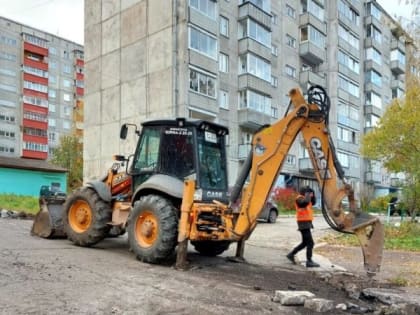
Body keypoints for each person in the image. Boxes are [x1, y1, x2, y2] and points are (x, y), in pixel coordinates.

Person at [286, 186, 320, 268]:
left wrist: (312, 194)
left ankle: (291, 254)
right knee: (310, 243)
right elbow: (304, 203)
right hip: (303, 223)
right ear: (305, 193)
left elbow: (313, 202)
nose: (310, 195)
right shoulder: (299, 199)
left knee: (305, 242)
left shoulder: (306, 198)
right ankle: (309, 261)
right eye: (309, 193)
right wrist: (308, 194)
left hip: (306, 223)